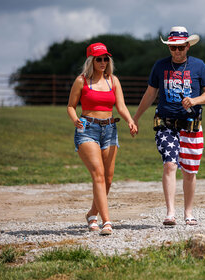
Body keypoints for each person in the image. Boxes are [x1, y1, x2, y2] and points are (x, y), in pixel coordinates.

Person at [133, 26, 205, 226]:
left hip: (191, 125)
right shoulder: (160, 66)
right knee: (170, 164)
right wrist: (135, 118)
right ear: (169, 48)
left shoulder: (199, 66)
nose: (177, 52)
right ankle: (170, 212)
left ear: (188, 46)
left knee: (189, 171)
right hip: (166, 124)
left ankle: (188, 212)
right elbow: (150, 94)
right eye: (173, 48)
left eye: (180, 47)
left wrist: (195, 101)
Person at [67, 42, 137, 235]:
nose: (103, 62)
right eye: (99, 59)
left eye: (106, 58)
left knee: (107, 178)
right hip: (87, 129)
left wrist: (130, 121)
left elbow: (121, 106)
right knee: (98, 174)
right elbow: (71, 106)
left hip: (110, 129)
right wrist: (75, 120)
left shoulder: (112, 80)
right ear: (91, 60)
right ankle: (106, 221)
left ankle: (91, 214)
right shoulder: (81, 81)